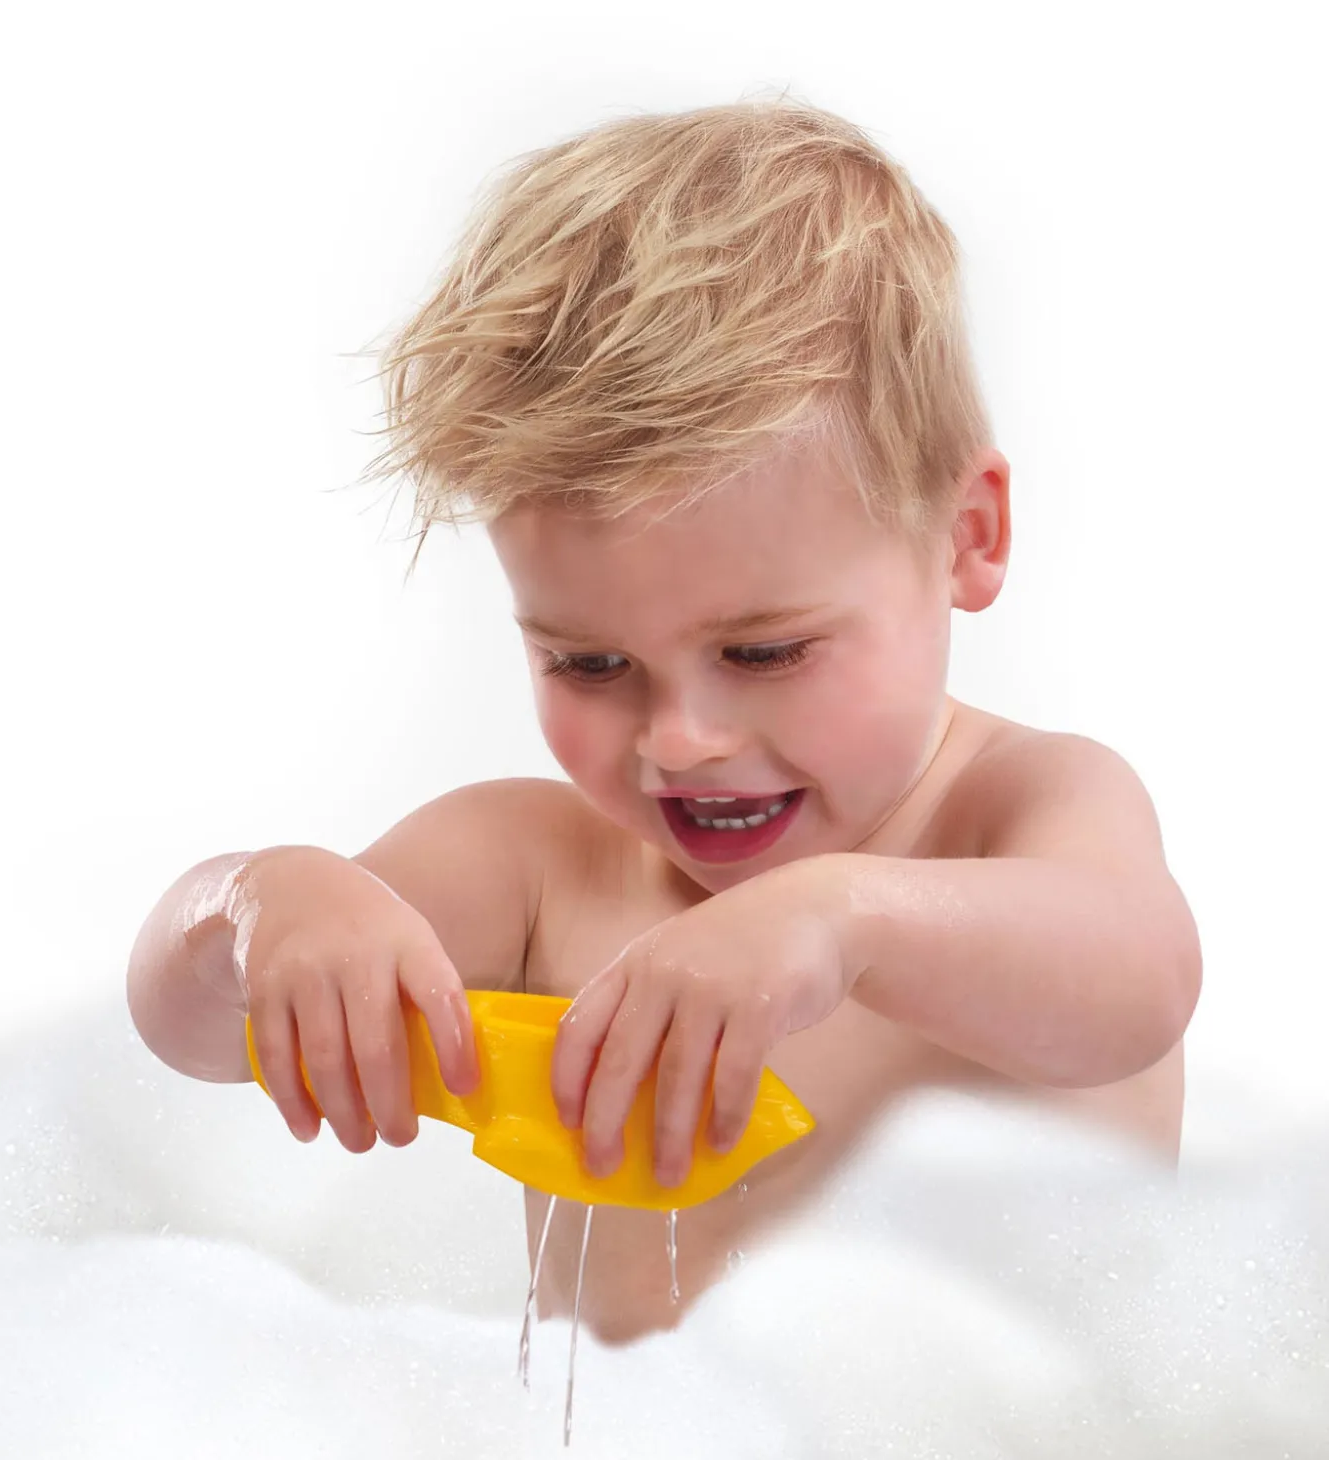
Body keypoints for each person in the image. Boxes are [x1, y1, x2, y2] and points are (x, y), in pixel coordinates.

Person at [126, 96, 1201, 1345]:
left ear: (965, 536)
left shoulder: (1018, 812)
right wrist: (264, 903)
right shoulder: (534, 872)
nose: (678, 737)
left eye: (763, 650)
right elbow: (191, 1031)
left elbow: (1140, 977)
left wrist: (841, 919)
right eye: (589, 662)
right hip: (630, 1426)